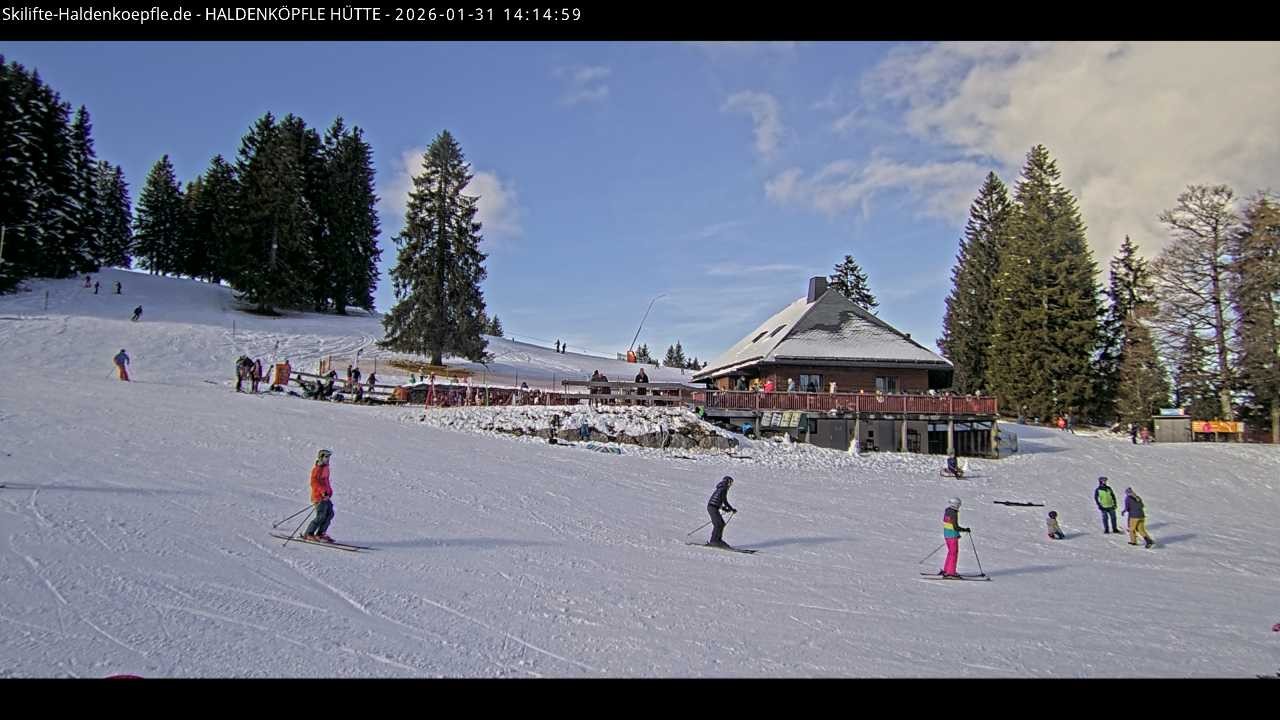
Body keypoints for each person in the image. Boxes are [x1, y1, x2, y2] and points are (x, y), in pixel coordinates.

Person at [302, 449, 335, 542]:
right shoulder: (317, 469)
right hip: (319, 497)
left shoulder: (326, 468)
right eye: (326, 457)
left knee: (330, 514)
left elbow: (326, 482)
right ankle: (309, 533)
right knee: (321, 516)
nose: (328, 459)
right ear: (321, 457)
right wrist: (323, 492)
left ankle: (320, 534)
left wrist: (329, 491)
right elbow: (314, 483)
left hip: (325, 497)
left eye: (329, 457)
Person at [939, 497, 970, 577]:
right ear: (956, 505)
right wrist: (965, 530)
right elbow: (955, 527)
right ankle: (951, 573)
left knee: (950, 553)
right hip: (952, 536)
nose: (959, 506)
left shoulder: (947, 511)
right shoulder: (953, 513)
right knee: (954, 554)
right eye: (959, 505)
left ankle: (946, 570)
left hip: (947, 535)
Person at [706, 476, 737, 547]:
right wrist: (731, 509)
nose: (731, 485)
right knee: (718, 524)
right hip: (712, 508)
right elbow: (724, 500)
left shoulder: (721, 488)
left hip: (713, 507)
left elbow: (718, 500)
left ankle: (717, 540)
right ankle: (714, 541)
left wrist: (724, 509)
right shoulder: (723, 489)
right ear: (727, 482)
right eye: (730, 482)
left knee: (721, 523)